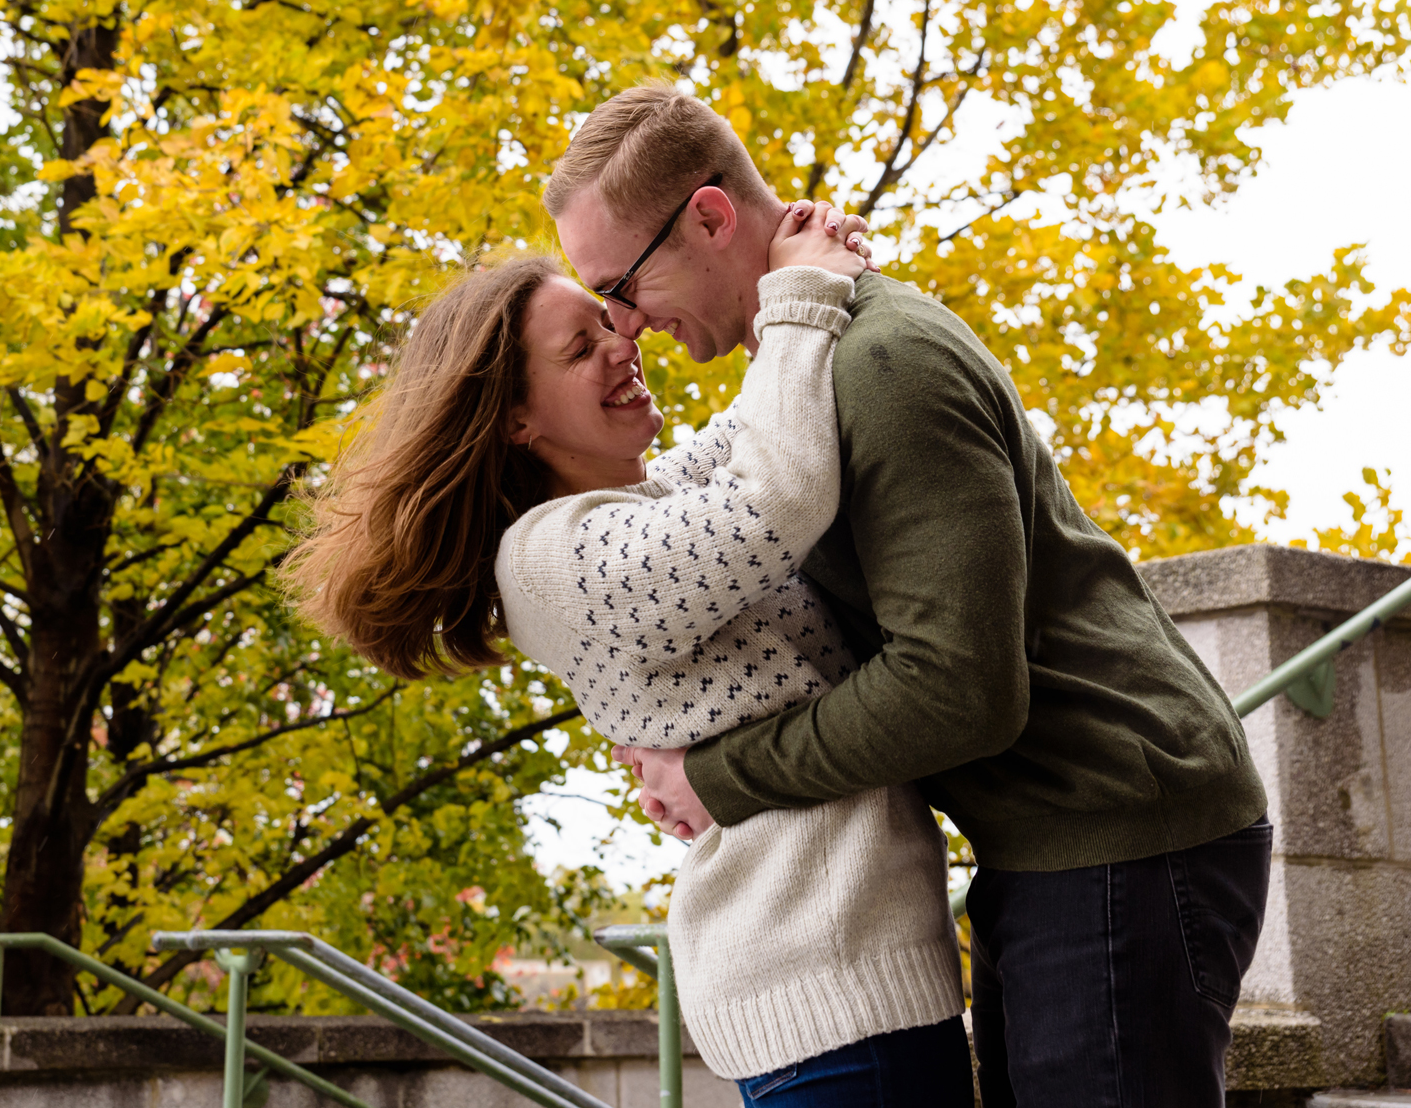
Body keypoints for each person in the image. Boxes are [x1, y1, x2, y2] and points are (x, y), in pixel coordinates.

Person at [546, 80, 1272, 1107]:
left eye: (618, 285)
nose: (622, 323)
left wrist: (718, 775)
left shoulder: (878, 366)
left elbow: (957, 690)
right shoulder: (802, 369)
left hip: (1123, 825)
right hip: (1059, 835)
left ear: (707, 217)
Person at [284, 208, 976, 1106]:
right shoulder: (552, 559)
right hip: (828, 976)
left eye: (611, 318)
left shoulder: (628, 508)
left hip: (839, 969)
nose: (626, 341)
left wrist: (796, 266)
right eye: (581, 348)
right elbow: (777, 494)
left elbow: (758, 434)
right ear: (518, 421)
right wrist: (799, 289)